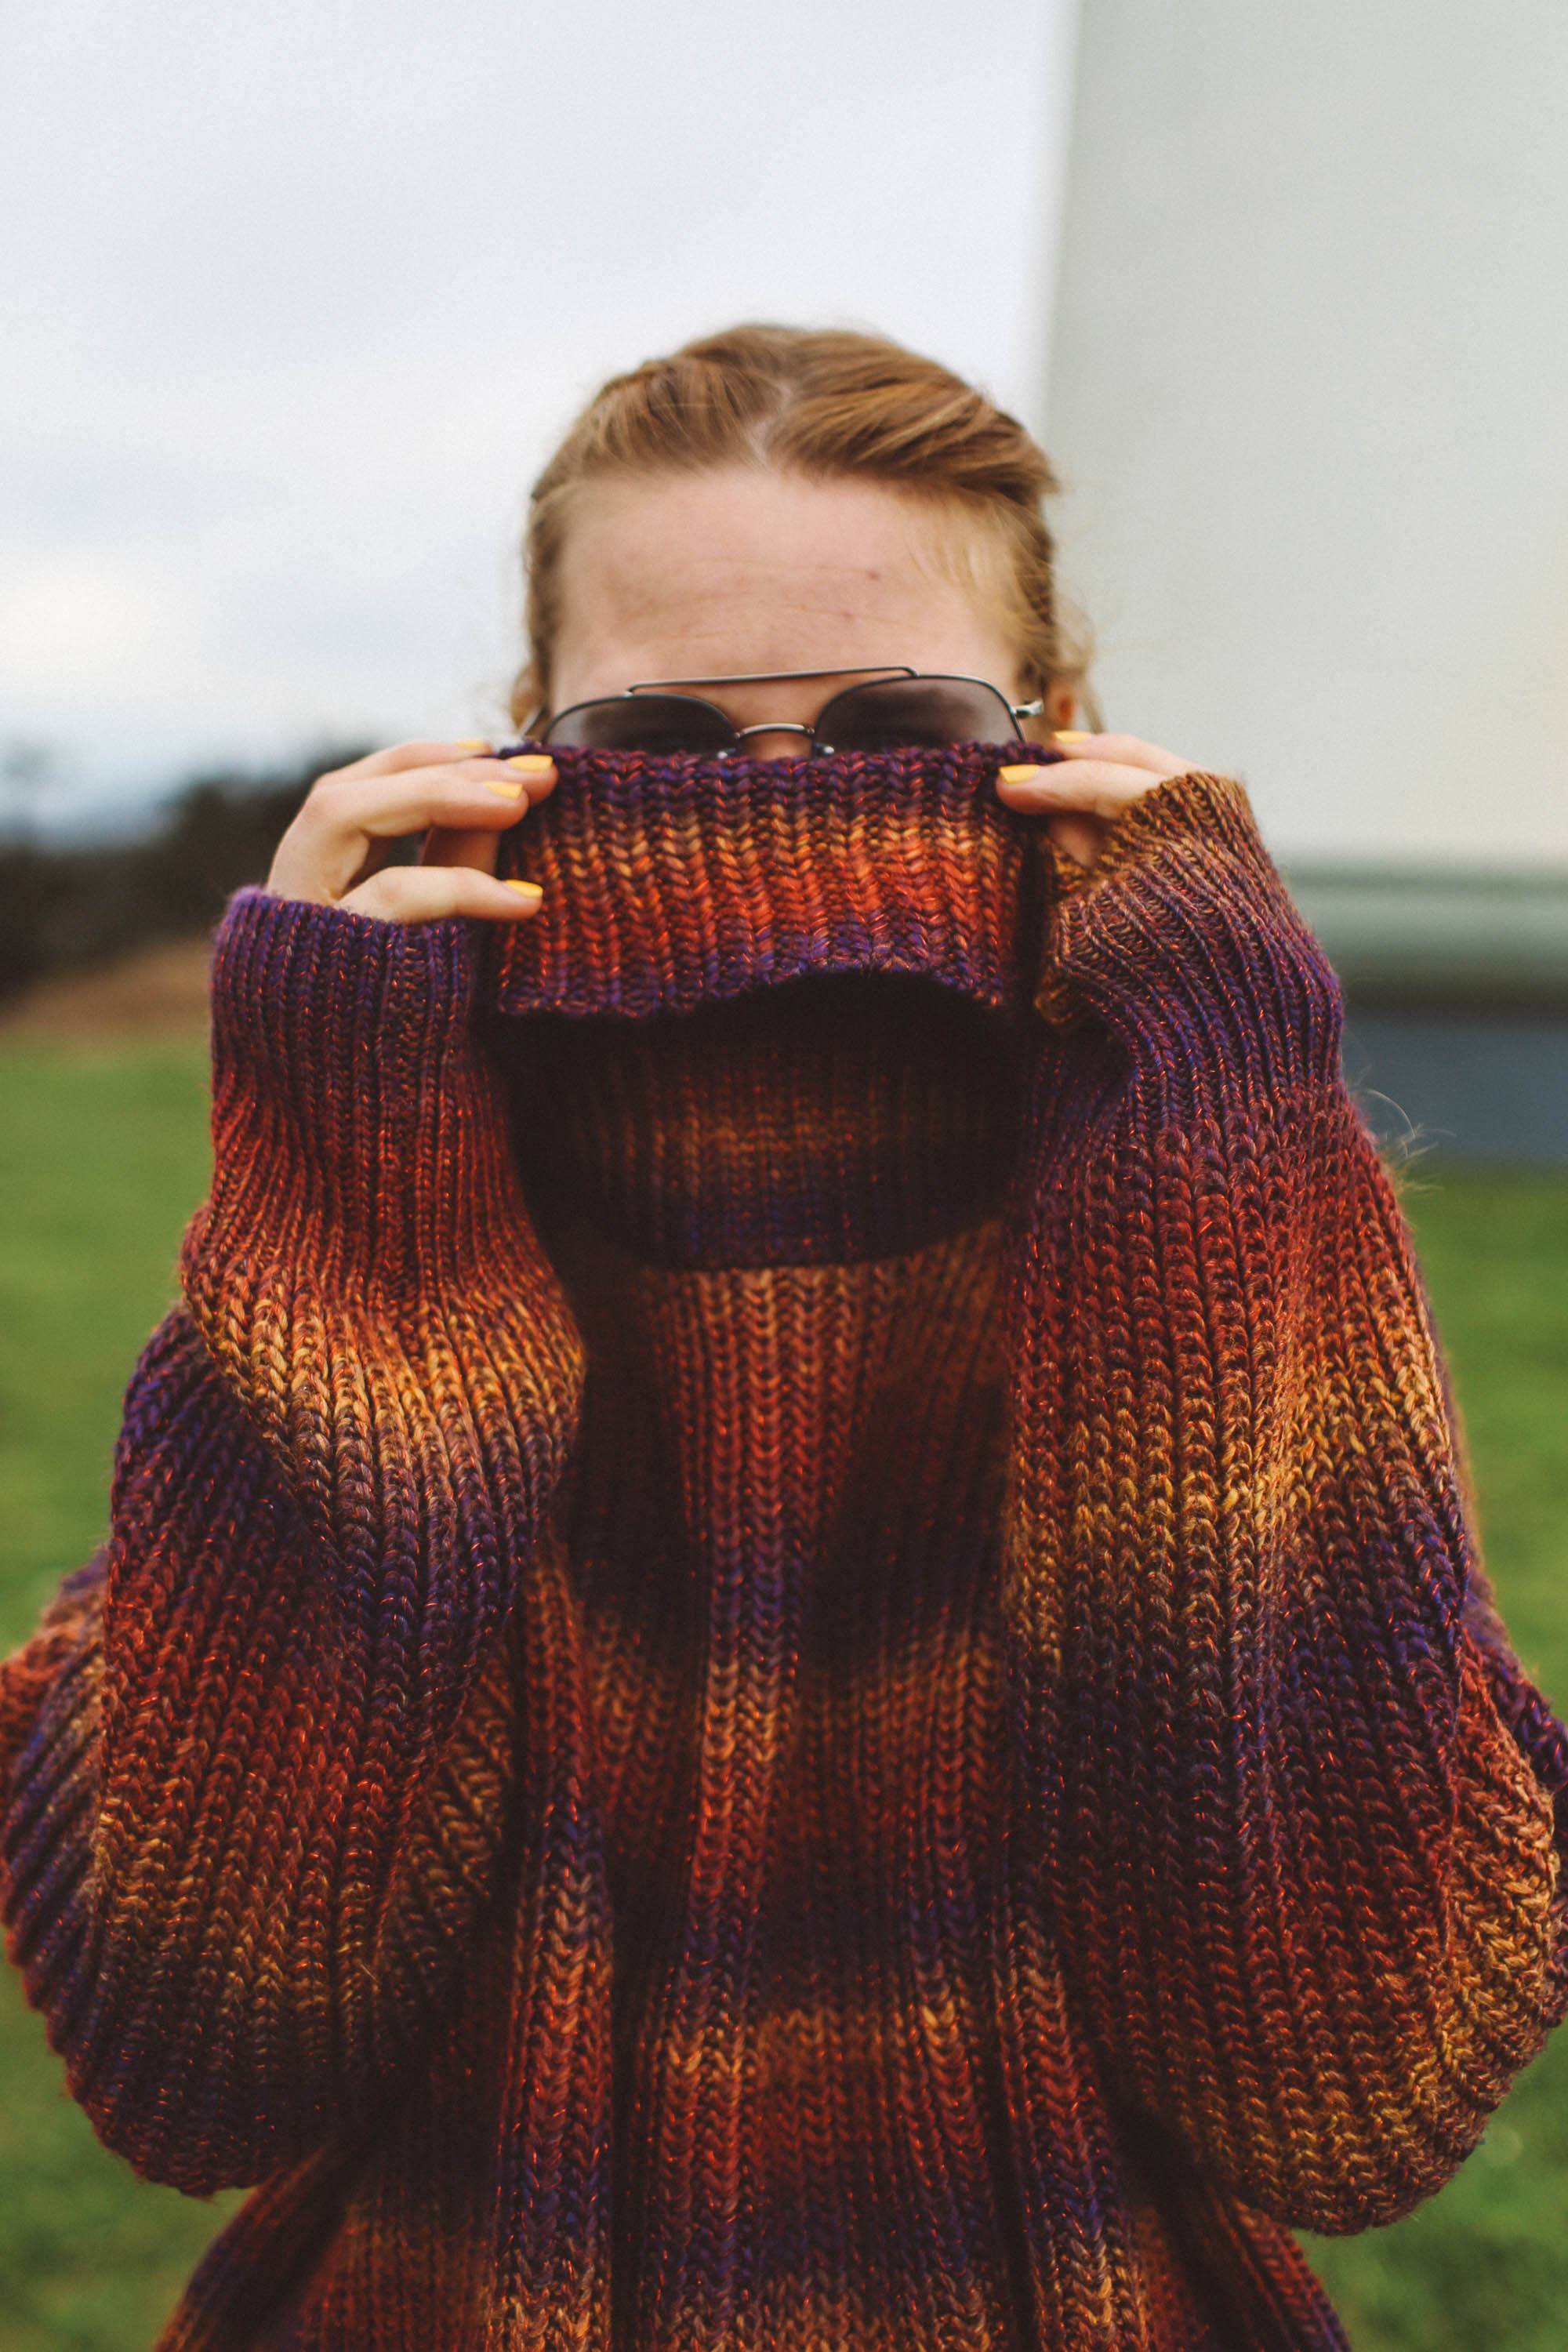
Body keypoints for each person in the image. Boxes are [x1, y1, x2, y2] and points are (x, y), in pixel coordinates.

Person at [2, 321, 1564, 2351]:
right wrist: (338, 1171)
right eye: (656, 738)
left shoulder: (1190, 1158)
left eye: (895, 722)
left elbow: (1351, 2087)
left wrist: (1226, 1126)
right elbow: (196, 2050)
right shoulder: (405, 1152)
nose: (780, 811)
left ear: (1058, 722)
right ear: (522, 737)